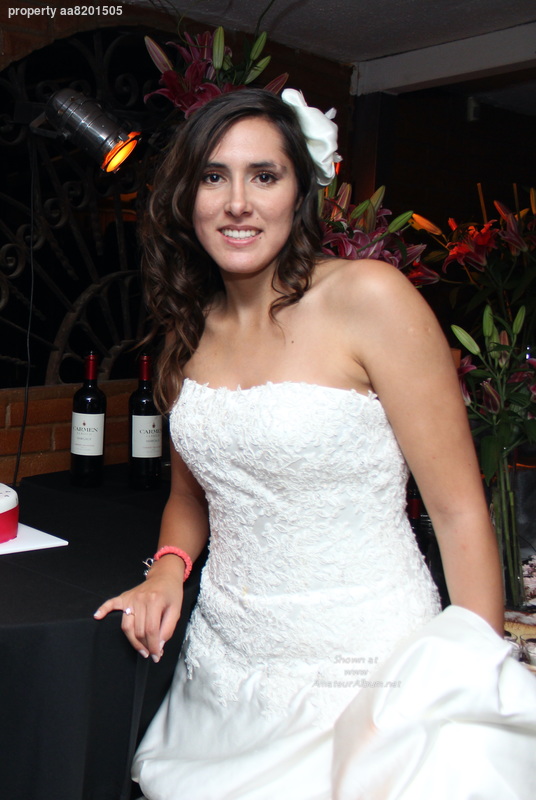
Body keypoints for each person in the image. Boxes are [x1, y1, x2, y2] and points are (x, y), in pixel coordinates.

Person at [94, 88, 532, 800]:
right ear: (187, 197)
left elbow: (458, 514)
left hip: (367, 676)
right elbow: (191, 497)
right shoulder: (187, 327)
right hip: (227, 679)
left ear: (299, 193)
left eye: (264, 176)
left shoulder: (371, 298)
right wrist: (167, 571)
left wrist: (465, 687)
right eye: (214, 176)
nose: (238, 202)